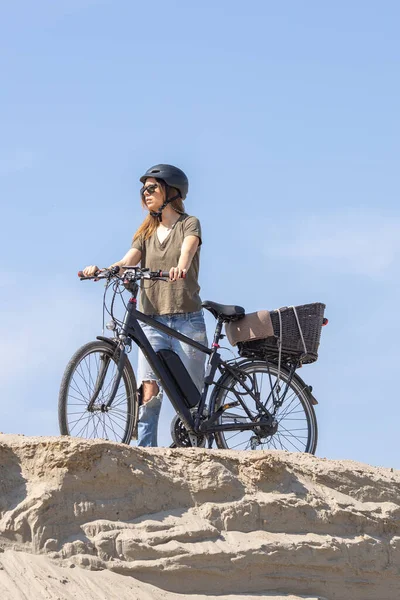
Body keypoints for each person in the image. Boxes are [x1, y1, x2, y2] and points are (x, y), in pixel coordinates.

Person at [83, 164, 208, 447]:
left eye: (152, 188)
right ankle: (146, 452)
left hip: (186, 319)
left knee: (191, 395)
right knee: (148, 389)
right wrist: (104, 269)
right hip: (152, 319)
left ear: (171, 191)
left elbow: (188, 249)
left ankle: (197, 447)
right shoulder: (146, 232)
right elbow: (129, 260)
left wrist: (180, 267)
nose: (146, 193)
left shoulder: (189, 223)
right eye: (143, 189)